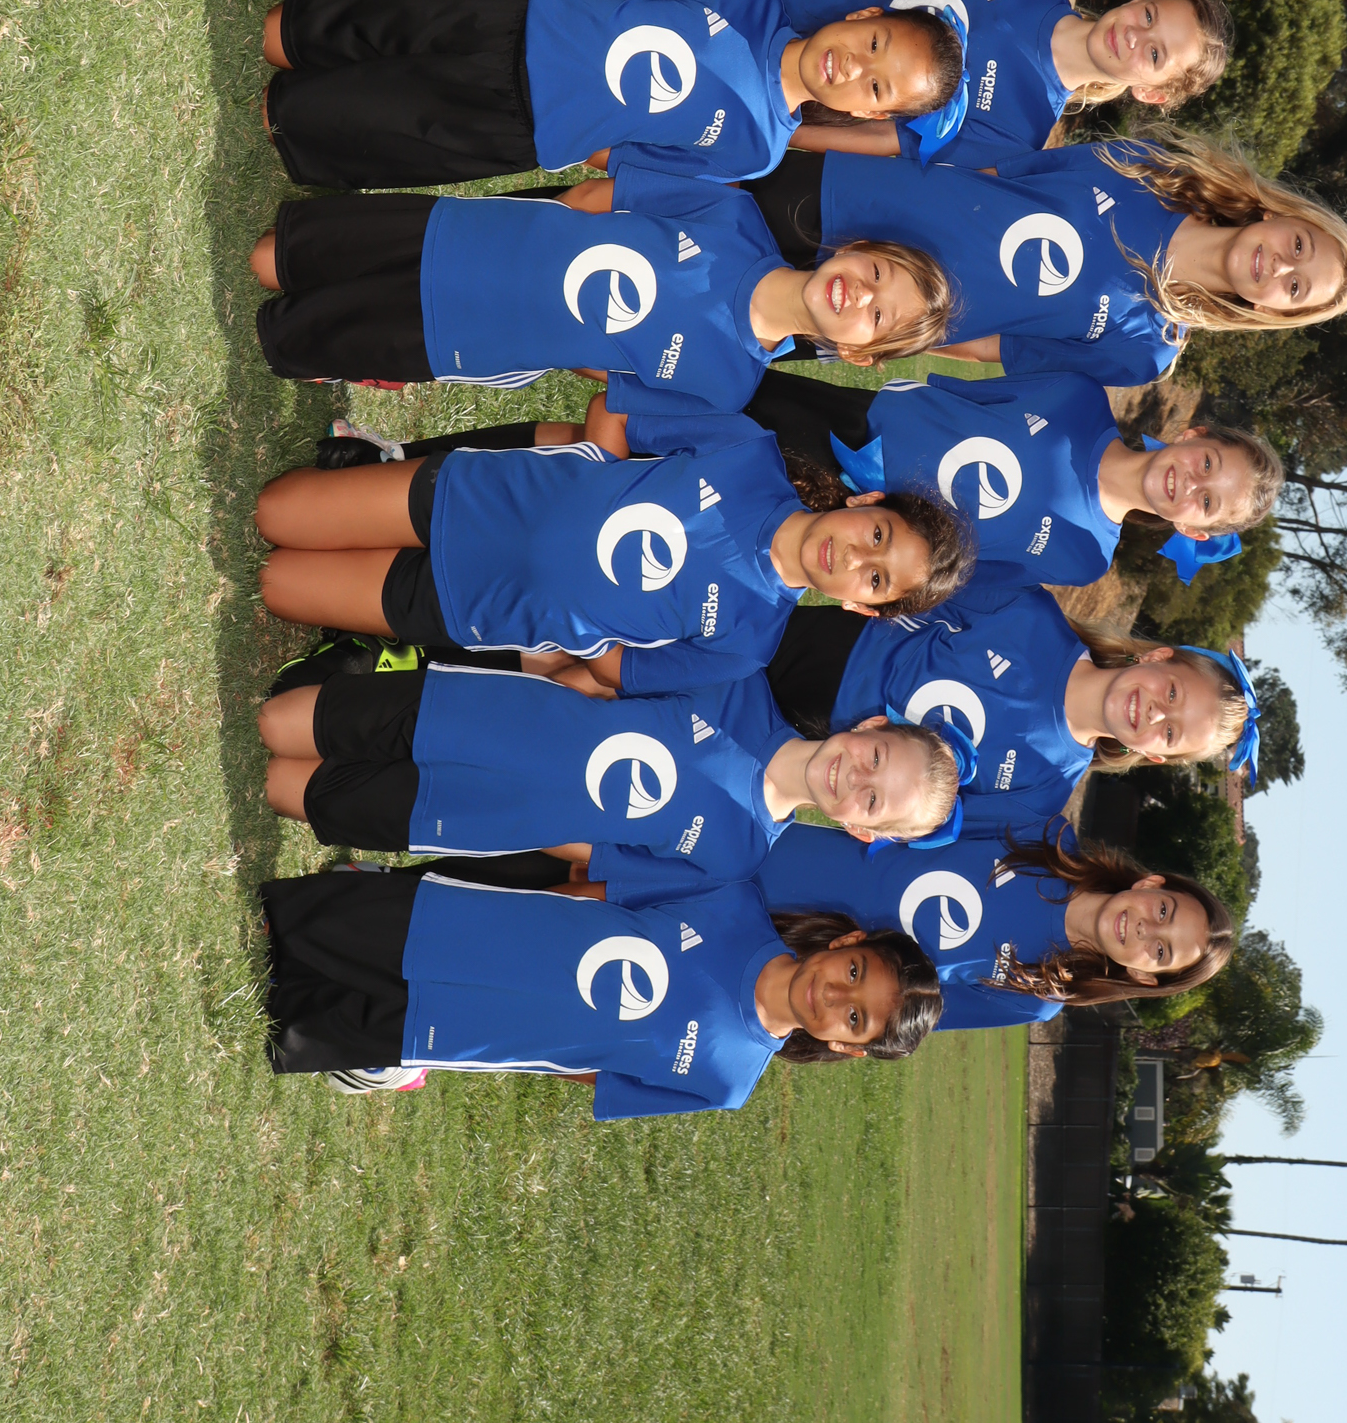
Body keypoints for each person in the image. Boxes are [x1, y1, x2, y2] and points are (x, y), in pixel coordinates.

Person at [253, 410, 973, 680]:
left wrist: (578, 623)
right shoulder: (746, 451)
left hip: (474, 607)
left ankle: (377, 637)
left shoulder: (747, 643)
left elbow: (614, 672)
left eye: (876, 579)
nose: (856, 558)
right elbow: (618, 411)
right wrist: (591, 479)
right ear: (866, 503)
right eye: (877, 536)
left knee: (277, 585)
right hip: (479, 499)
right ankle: (378, 470)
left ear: (859, 608)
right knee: (275, 514)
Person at [517, 582, 1255, 830]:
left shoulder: (1042, 789)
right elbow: (914, 586)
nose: (1153, 713)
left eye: (1170, 732)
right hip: (820, 658)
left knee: (635, 729)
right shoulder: (1033, 615)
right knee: (629, 662)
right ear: (1157, 658)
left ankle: (517, 720)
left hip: (810, 762)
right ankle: (499, 650)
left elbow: (922, 824)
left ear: (1153, 755)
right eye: (1172, 694)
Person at [258, 859, 940, 1107]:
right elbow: (594, 893)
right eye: (855, 973)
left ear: (846, 1047)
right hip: (474, 931)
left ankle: (386, 1058)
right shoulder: (733, 900)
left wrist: (529, 1046)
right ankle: (359, 902)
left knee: (283, 1022)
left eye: (856, 1019)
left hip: (475, 1031)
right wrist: (511, 915)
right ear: (847, 943)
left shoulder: (728, 1083)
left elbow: (599, 1077)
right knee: (283, 926)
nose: (837, 996)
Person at [249, 168, 952, 404]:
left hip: (470, 338)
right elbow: (597, 197)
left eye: (877, 317)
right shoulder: (733, 217)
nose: (861, 295)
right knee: (273, 257)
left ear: (854, 354)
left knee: (289, 338)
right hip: (466, 238)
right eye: (876, 274)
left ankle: (334, 351)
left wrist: (549, 330)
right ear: (855, 249)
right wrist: (534, 245)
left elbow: (606, 375)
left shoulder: (729, 385)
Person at [731, 130, 1347, 387]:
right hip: (850, 200)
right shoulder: (1153, 168)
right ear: (1278, 215)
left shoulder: (1144, 353)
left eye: (1296, 288)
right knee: (677, 194)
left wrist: (889, 341)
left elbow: (992, 350)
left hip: (864, 318)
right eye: (1299, 246)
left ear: (1272, 313)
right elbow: (999, 173)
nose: (1281, 267)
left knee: (709, 327)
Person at [256, 646, 966, 875]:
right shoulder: (738, 684)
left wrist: (523, 817)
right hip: (483, 718)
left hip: (479, 815)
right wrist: (538, 722)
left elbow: (598, 853)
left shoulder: (738, 857)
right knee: (275, 720)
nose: (856, 777)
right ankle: (365, 674)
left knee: (281, 786)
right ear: (871, 725)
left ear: (860, 829)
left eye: (873, 800)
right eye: (876, 756)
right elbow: (594, 679)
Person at [260, 0, 966, 190]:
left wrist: (570, 120)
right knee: (306, 27)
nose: (855, 66)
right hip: (515, 19)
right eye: (875, 42)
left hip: (516, 123)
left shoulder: (758, 149)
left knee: (314, 119)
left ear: (870, 115)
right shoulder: (754, 0)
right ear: (864, 15)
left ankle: (299, 114)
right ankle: (301, 38)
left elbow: (631, 159)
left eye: (876, 87)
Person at [593, 822, 1234, 1033]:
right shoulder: (1047, 835)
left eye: (1160, 952)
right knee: (629, 845)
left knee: (629, 928)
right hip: (797, 858)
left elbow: (902, 1018)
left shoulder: (1037, 997)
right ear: (1152, 885)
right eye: (1164, 913)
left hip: (794, 952)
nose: (1145, 931)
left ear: (1143, 976)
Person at [692, 0, 1234, 159]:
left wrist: (780, 135)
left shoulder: (1020, 134)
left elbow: (886, 139)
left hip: (761, 95)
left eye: (1155, 54)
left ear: (1151, 93)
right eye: (1150, 15)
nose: (1136, 34)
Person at [730, 369, 1282, 587]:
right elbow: (960, 388)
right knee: (718, 407)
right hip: (847, 428)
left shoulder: (1083, 559)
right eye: (1207, 465)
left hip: (847, 542)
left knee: (720, 525)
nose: (1191, 484)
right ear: (1193, 435)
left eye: (1207, 502)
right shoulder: (1079, 396)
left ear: (1193, 531)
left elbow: (951, 576)